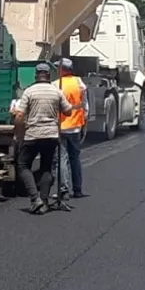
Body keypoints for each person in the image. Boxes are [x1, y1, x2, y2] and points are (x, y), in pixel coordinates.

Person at [13, 62, 75, 215]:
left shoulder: (29, 92)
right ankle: (45, 201)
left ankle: (35, 199)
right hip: (51, 135)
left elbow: (20, 115)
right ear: (48, 76)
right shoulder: (57, 92)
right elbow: (68, 112)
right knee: (46, 167)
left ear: (36, 75)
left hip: (33, 135)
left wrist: (18, 134)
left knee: (22, 165)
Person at [54, 58, 89, 200]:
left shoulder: (56, 85)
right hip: (75, 126)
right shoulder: (79, 83)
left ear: (62, 70)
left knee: (62, 159)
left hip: (61, 127)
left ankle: (63, 190)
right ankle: (78, 189)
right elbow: (84, 105)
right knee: (75, 158)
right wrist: (84, 121)